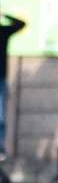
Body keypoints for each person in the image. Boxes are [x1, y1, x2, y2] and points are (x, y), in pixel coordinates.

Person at [0, 9, 25, 153]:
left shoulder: (3, 32)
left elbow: (21, 24)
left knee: (1, 116)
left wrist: (4, 15)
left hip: (1, 79)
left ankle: (0, 146)